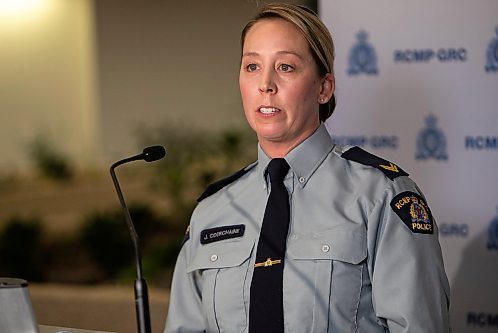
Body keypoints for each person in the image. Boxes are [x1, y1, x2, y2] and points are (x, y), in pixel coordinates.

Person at [165, 3, 450, 332]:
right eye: (252, 66)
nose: (266, 84)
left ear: (324, 88)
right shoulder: (213, 210)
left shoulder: (381, 196)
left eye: (285, 67)